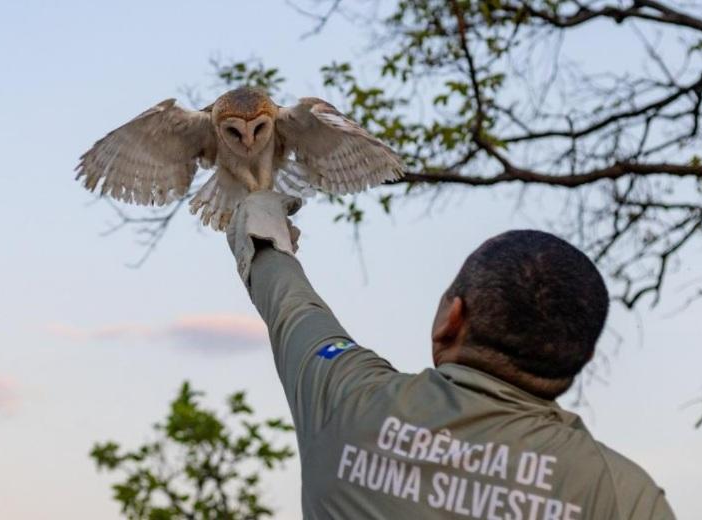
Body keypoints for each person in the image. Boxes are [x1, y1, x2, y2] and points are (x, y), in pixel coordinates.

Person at [226, 191, 675, 520]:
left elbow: (292, 306)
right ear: (581, 355)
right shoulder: (624, 496)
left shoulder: (345, 398)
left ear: (451, 318)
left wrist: (264, 230)